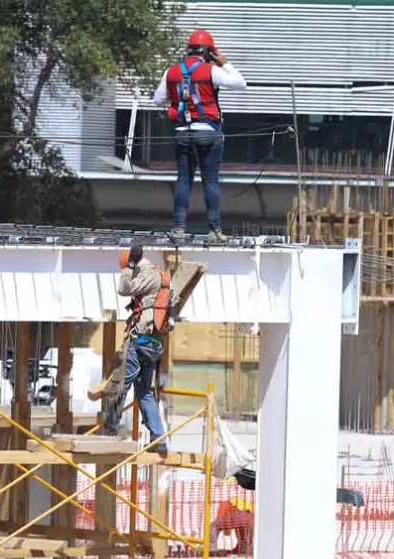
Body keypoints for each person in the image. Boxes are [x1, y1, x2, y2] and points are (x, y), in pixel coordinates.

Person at [153, 29, 248, 243]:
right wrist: (225, 63)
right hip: (208, 132)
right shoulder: (211, 71)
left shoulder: (172, 71)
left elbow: (157, 99)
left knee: (183, 181)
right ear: (208, 52)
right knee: (210, 181)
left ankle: (178, 231)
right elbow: (241, 83)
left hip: (183, 133)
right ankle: (214, 231)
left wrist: (177, 100)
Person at [101, 245, 171, 452]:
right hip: (152, 344)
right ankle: (158, 439)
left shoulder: (149, 276)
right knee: (144, 391)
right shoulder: (158, 276)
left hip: (140, 341)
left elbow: (123, 289)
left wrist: (128, 268)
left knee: (121, 383)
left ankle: (110, 430)